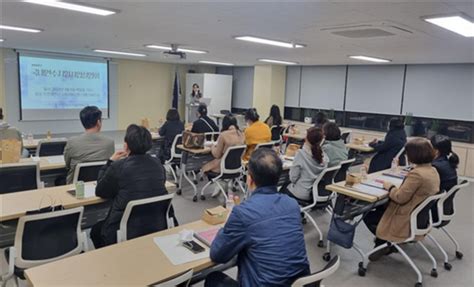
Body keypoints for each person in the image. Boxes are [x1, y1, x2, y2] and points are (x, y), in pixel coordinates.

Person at [205, 148, 310, 287]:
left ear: (249, 179)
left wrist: (224, 229)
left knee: (213, 278)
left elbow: (217, 255)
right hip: (299, 283)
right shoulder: (292, 204)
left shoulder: (243, 213)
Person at [90, 125, 172, 248]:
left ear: (126, 145)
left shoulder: (118, 166)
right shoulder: (158, 164)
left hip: (124, 229)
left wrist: (110, 162)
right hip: (157, 224)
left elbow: (100, 190)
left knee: (96, 230)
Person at [363, 138, 440, 260]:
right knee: (380, 208)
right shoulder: (432, 170)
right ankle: (386, 243)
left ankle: (384, 243)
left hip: (404, 219)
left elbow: (399, 198)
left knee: (368, 215)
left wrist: (389, 186)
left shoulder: (417, 174)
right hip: (419, 218)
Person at [64, 106, 114, 184]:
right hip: (101, 184)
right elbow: (110, 163)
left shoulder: (72, 142)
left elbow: (67, 165)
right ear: (98, 122)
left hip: (77, 187)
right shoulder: (110, 142)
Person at [285, 127, 328, 202]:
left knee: (282, 189)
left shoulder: (301, 154)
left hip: (301, 193)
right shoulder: (324, 157)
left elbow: (293, 178)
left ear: (307, 139)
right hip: (316, 193)